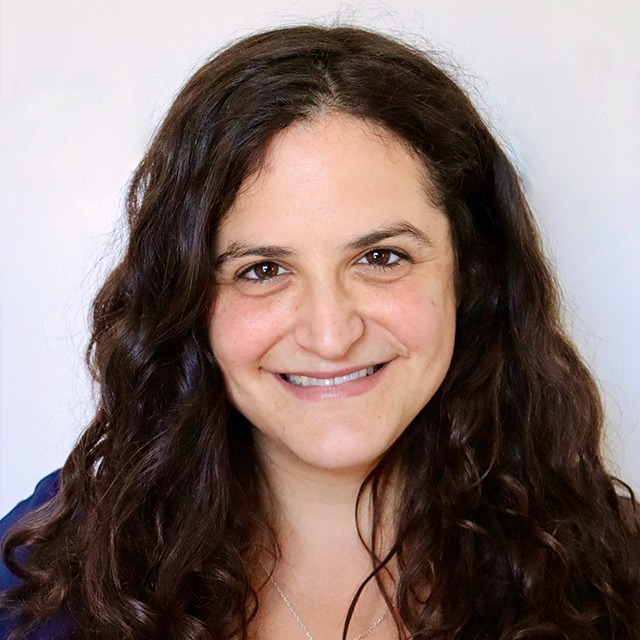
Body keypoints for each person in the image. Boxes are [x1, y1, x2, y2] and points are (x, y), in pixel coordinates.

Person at [1, 24, 638, 640]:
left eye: (381, 257)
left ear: (472, 273)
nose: (330, 335)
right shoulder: (46, 570)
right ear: (188, 297)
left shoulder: (609, 569)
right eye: (263, 270)